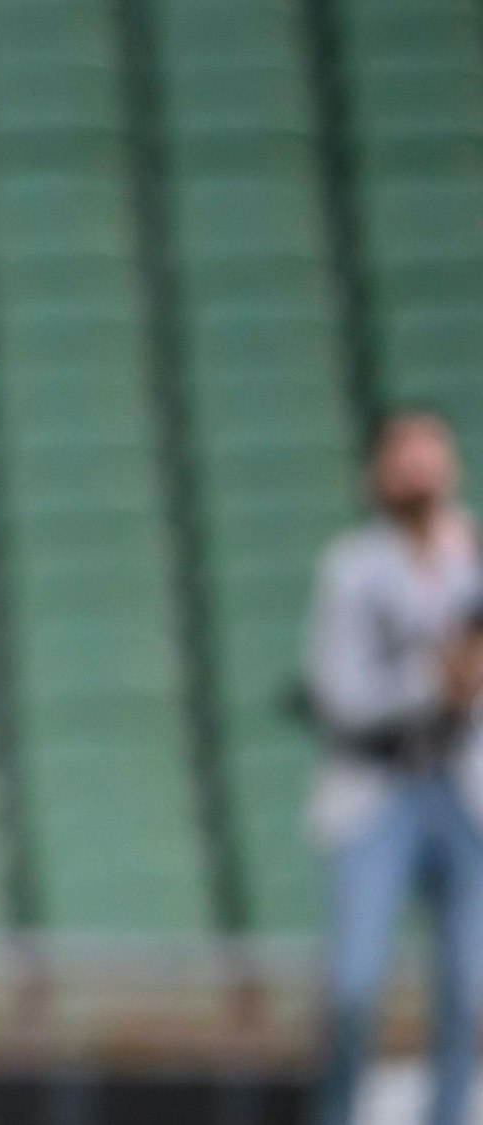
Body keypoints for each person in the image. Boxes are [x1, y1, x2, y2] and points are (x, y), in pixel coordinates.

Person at [305, 409, 483, 1125]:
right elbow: (340, 694)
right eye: (403, 457)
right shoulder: (352, 568)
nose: (418, 472)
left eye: (428, 455)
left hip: (466, 791)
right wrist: (432, 681)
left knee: (469, 994)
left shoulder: (472, 557)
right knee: (353, 987)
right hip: (376, 792)